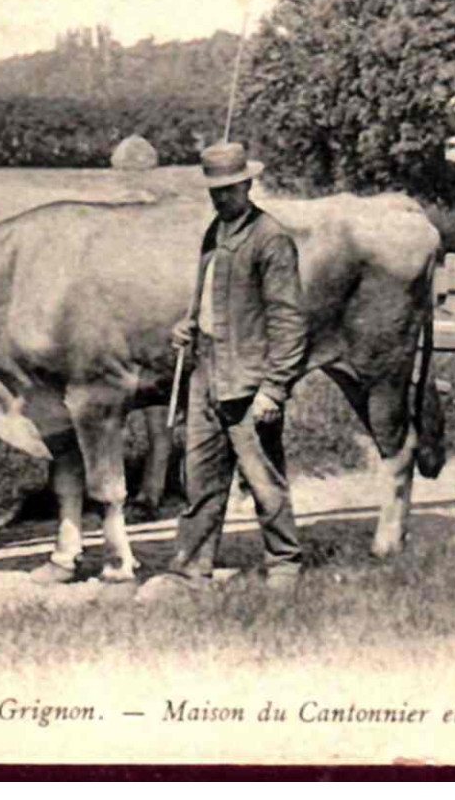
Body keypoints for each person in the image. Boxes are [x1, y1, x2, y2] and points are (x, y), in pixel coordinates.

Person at [137, 141, 308, 602]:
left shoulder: (270, 238)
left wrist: (275, 388)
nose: (221, 198)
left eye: (229, 189)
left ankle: (284, 566)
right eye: (214, 190)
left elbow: (289, 321)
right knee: (200, 480)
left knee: (263, 480)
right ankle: (192, 569)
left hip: (249, 382)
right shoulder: (214, 233)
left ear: (248, 184)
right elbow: (209, 299)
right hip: (207, 373)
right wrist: (187, 325)